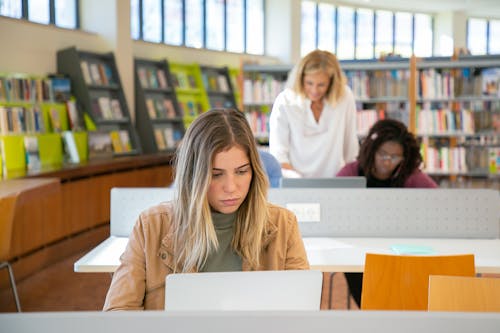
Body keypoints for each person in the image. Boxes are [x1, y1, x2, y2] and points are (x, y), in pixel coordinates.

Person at [103, 108, 310, 311]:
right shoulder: (151, 226)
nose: (230, 187)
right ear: (194, 176)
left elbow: (303, 313)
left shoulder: (283, 224)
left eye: (241, 172)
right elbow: (119, 313)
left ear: (254, 171)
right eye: (216, 174)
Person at [336, 118, 437, 307]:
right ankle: (373, 311)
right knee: (366, 287)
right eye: (382, 154)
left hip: (398, 247)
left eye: (395, 156)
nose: (388, 161)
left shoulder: (410, 176)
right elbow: (334, 204)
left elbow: (438, 201)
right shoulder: (352, 172)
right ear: (372, 150)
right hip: (359, 246)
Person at [269, 49, 359, 178]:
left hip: (336, 182)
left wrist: (349, 178)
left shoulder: (344, 97)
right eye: (309, 83)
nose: (314, 90)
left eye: (321, 85)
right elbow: (278, 154)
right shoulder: (285, 101)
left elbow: (350, 148)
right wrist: (299, 182)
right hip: (295, 183)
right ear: (301, 79)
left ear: (332, 83)